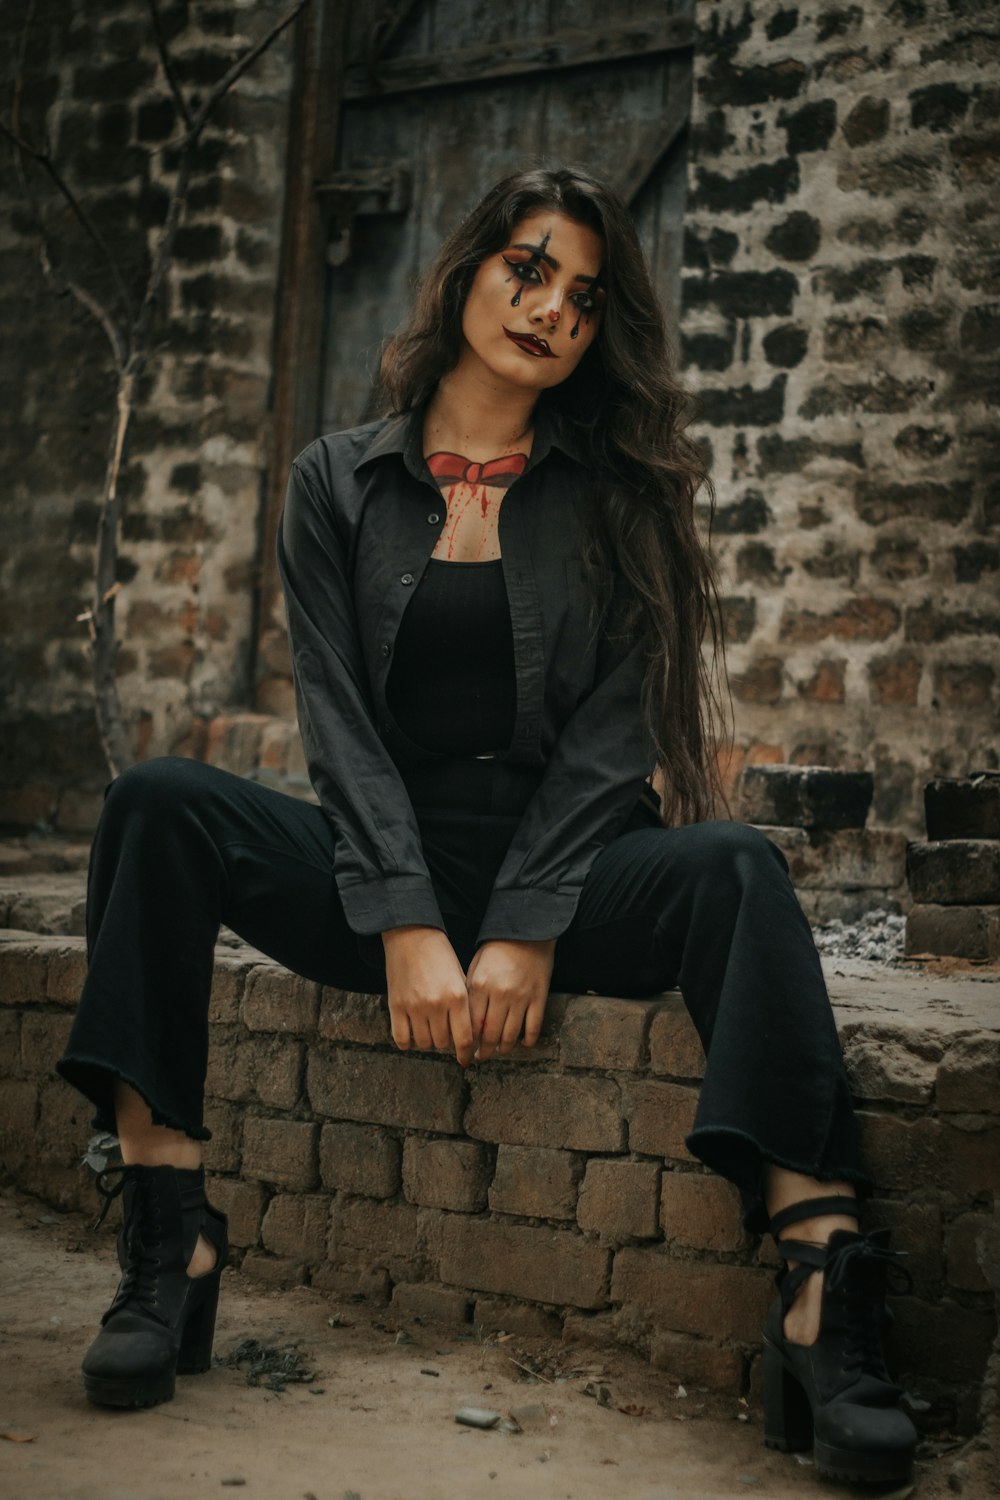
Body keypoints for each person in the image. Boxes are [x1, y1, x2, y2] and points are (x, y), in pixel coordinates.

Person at [57, 166, 916, 1484]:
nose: (550, 306)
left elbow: (617, 736)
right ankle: (171, 1244)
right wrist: (404, 914)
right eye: (527, 265)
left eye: (582, 294)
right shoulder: (333, 483)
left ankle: (820, 1294)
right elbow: (336, 723)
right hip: (378, 867)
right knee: (158, 806)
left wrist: (521, 929)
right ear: (463, 272)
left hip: (570, 865)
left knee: (737, 868)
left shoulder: (617, 494)